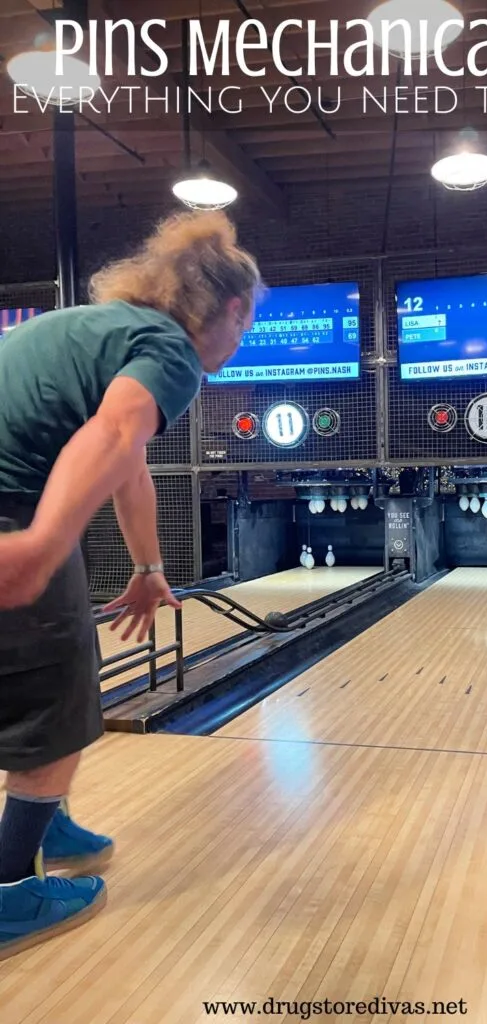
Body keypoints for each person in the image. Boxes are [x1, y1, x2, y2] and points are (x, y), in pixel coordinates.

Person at [0, 209, 261, 960]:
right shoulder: (171, 351)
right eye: (244, 326)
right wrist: (45, 543)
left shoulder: (100, 328)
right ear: (231, 309)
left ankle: (48, 822)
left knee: (44, 677)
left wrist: (149, 569)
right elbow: (112, 436)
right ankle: (12, 890)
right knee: (58, 698)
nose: (238, 343)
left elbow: (128, 467)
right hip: (11, 505)